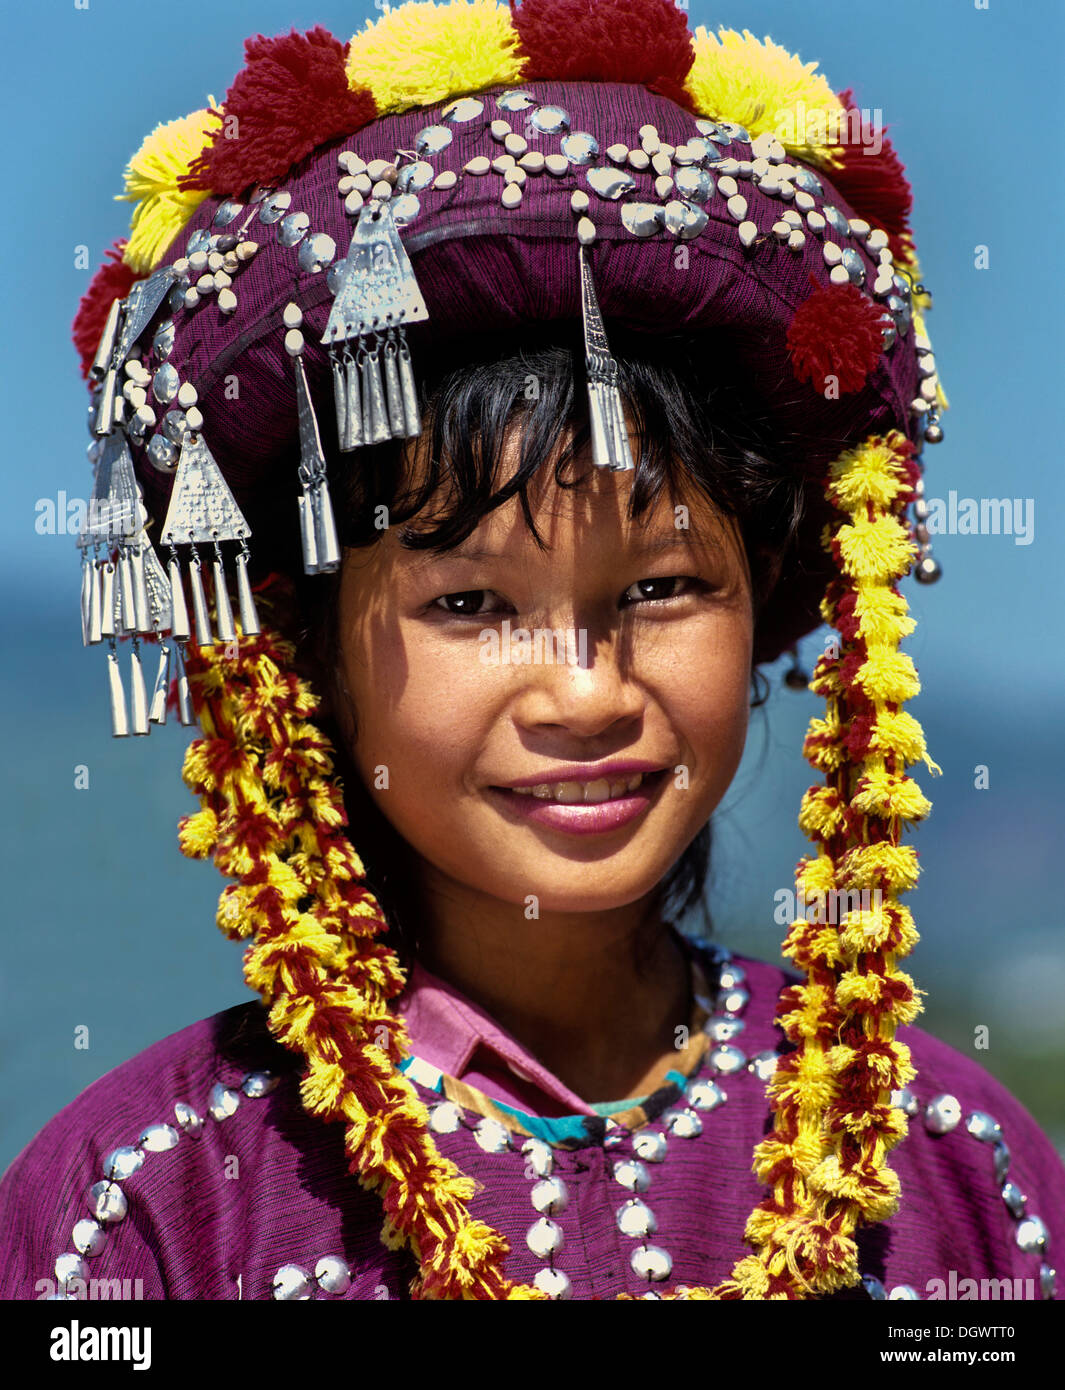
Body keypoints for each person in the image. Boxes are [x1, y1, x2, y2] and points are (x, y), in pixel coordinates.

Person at [1, 0, 1061, 1302]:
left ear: (767, 590)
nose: (584, 690)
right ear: (306, 647)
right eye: (472, 605)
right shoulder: (148, 1207)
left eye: (662, 586)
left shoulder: (952, 1169)